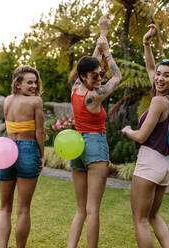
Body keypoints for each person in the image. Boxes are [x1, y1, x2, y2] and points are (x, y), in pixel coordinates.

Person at [121, 24, 169, 248]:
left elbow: (141, 136)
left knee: (140, 220)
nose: (159, 78)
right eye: (158, 74)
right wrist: (146, 43)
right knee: (154, 216)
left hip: (150, 162)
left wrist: (128, 130)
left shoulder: (158, 101)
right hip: (165, 166)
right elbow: (149, 67)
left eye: (166, 76)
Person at [67, 16, 122, 248]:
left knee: (81, 209)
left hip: (77, 146)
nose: (100, 78)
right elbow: (118, 77)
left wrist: (103, 32)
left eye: (101, 74)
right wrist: (108, 53)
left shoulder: (76, 88)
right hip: (95, 146)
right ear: (84, 76)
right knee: (93, 210)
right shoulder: (94, 96)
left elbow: (91, 61)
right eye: (96, 75)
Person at [0, 65, 46, 248]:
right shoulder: (35, 102)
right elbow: (39, 133)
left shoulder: (7, 100)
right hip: (28, 149)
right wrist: (42, 156)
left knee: (5, 208)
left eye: (35, 82)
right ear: (17, 84)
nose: (34, 86)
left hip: (6, 151)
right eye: (29, 82)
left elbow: (9, 128)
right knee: (23, 209)